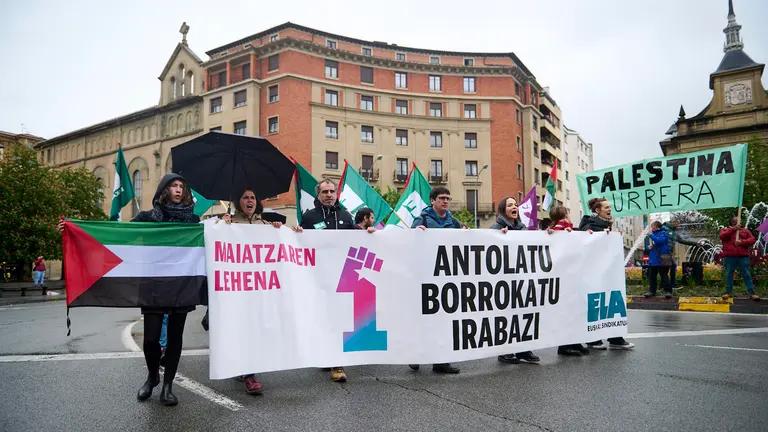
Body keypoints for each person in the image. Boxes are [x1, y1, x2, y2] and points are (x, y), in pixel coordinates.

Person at [295, 178, 374, 383]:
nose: (329, 195)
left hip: (343, 276)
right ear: (318, 195)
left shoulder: (345, 215)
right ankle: (326, 354)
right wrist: (296, 233)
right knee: (322, 317)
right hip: (319, 277)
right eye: (325, 192)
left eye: (332, 191)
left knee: (339, 318)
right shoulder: (309, 217)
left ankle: (336, 362)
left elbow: (356, 238)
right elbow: (301, 243)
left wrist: (369, 234)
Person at [219, 188, 283, 394]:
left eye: (253, 197)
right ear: (238, 202)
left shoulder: (265, 225)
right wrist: (222, 226)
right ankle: (245, 370)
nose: (250, 201)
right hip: (237, 289)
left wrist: (279, 230)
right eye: (245, 197)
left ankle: (249, 371)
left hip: (259, 289)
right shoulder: (229, 224)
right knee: (239, 328)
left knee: (255, 328)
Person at [408, 186, 462, 375]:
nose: (445, 201)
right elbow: (408, 243)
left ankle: (441, 361)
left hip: (445, 278)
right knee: (422, 319)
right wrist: (415, 232)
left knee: (443, 320)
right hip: (424, 277)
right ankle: (415, 355)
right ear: (432, 201)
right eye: (441, 198)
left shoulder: (454, 222)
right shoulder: (421, 220)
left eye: (448, 198)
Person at [579, 197, 635, 350]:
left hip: (608, 274)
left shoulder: (606, 226)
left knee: (612, 303)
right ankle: (592, 340)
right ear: (597, 211)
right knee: (595, 305)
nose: (609, 210)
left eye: (609, 207)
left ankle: (615, 338)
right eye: (606, 208)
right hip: (593, 274)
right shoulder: (589, 225)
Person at [490, 196, 541, 364]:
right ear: (503, 209)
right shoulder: (496, 228)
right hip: (503, 280)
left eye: (516, 204)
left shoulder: (523, 229)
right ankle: (504, 351)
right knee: (505, 317)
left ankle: (523, 350)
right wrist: (498, 237)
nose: (514, 207)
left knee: (523, 316)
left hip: (521, 280)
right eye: (510, 204)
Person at [545, 204, 590, 357]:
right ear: (564, 216)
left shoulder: (566, 228)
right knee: (567, 311)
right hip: (565, 277)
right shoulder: (561, 228)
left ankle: (574, 342)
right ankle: (565, 345)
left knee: (573, 311)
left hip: (570, 276)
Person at [720, 216, 759, 300]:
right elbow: (723, 236)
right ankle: (728, 292)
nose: (738, 223)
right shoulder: (725, 230)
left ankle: (752, 292)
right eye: (736, 221)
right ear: (732, 222)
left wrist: (742, 242)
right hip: (729, 256)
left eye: (739, 221)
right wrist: (734, 229)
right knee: (729, 274)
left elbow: (752, 240)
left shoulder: (745, 231)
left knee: (746, 274)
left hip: (743, 256)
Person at [662, 219, 704, 288]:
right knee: (666, 269)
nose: (679, 225)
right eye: (678, 224)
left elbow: (682, 241)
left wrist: (696, 244)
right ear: (673, 222)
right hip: (663, 252)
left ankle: (671, 284)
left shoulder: (674, 233)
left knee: (671, 266)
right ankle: (667, 285)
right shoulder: (664, 228)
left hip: (669, 252)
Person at [645, 221, 673, 299]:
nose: (651, 228)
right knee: (652, 277)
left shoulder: (663, 233)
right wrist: (648, 247)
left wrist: (651, 235)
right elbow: (647, 246)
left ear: (657, 226)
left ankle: (668, 291)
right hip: (653, 260)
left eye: (652, 226)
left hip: (661, 259)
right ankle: (652, 291)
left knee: (664, 276)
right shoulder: (650, 235)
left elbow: (659, 241)